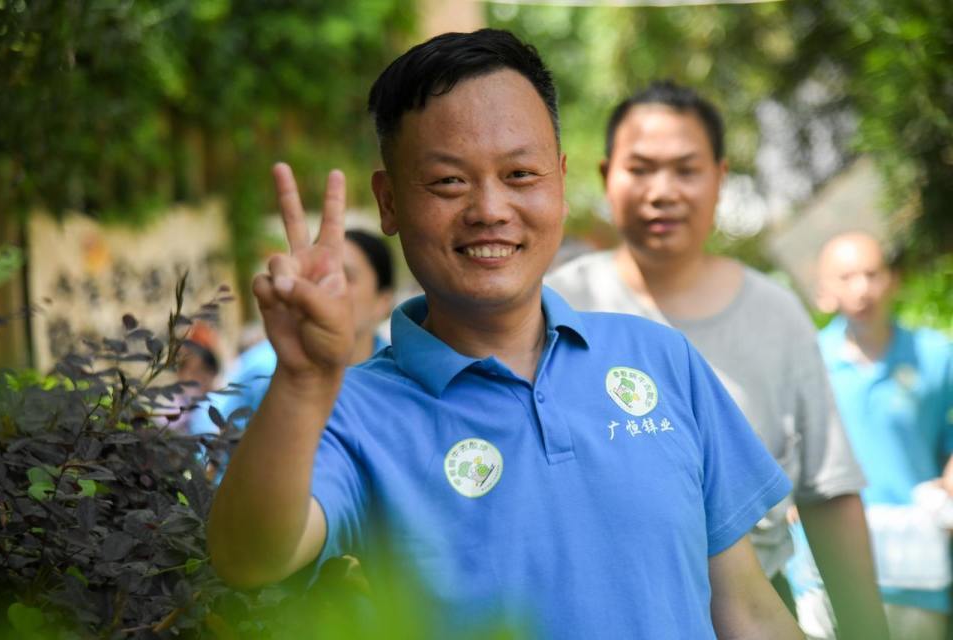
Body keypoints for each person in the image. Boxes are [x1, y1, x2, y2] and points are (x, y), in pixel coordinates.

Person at [207, 30, 802, 638]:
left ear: (560, 182)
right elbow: (249, 558)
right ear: (389, 202)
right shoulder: (349, 411)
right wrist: (303, 382)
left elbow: (747, 609)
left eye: (520, 173)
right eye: (448, 181)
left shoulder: (660, 357)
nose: (490, 209)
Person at [545, 81, 889, 639]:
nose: (662, 192)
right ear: (607, 176)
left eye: (686, 170)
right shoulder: (556, 306)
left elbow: (826, 490)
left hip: (757, 610)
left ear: (720, 177)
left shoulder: (776, 314)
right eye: (640, 169)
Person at [807, 230, 953, 640]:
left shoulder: (934, 355)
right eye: (846, 277)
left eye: (872, 274)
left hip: (915, 565)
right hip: (827, 569)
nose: (862, 289)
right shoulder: (807, 362)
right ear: (823, 292)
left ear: (892, 280)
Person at [189, 228, 394, 434]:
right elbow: (207, 423)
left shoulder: (398, 377)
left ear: (383, 302)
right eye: (320, 275)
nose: (329, 287)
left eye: (347, 276)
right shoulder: (264, 366)